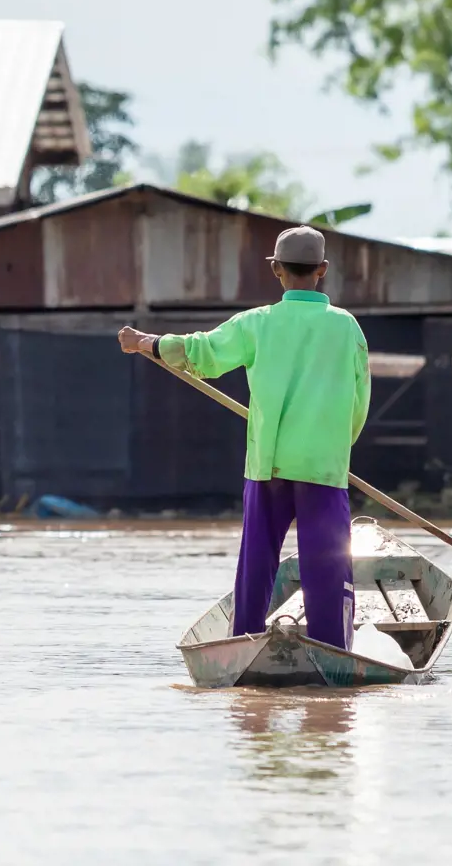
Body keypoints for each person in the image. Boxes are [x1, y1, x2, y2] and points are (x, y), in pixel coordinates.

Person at [117, 225, 370, 650]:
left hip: (267, 465)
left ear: (277, 271)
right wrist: (335, 450)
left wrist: (148, 343)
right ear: (322, 270)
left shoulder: (257, 324)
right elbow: (359, 400)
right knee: (328, 571)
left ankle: (243, 648)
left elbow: (203, 352)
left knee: (256, 567)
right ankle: (334, 654)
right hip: (322, 468)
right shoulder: (347, 328)